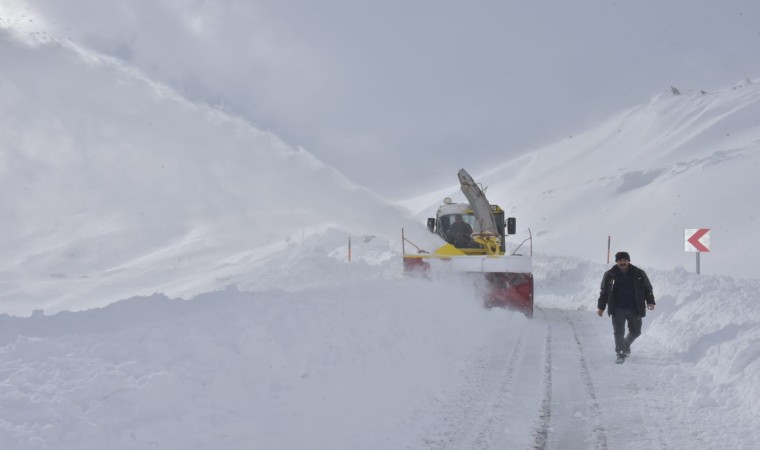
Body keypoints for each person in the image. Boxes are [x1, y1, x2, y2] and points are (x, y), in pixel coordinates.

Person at [597, 251, 656, 363]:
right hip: (617, 308)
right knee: (618, 332)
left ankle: (625, 344)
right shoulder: (609, 275)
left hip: (635, 308)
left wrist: (650, 301)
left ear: (629, 261)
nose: (622, 262)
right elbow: (603, 292)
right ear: (616, 261)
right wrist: (601, 307)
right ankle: (620, 353)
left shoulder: (639, 273)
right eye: (620, 260)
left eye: (624, 260)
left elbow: (648, 288)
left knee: (636, 331)